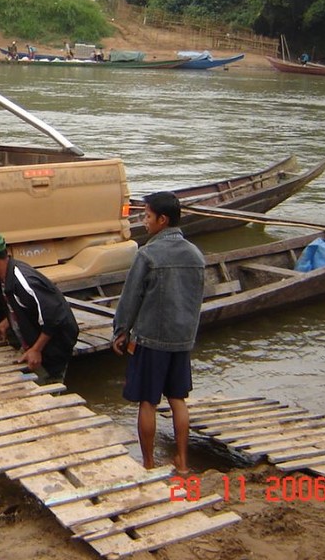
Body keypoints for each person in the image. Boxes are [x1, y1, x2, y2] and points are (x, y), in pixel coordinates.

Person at [111, 192, 205, 474]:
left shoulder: (148, 254)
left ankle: (149, 463)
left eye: (147, 216)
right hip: (182, 339)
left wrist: (121, 331)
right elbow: (195, 300)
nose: (144, 221)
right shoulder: (195, 255)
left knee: (148, 402)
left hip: (151, 339)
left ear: (162, 220)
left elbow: (131, 298)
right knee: (178, 399)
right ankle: (183, 462)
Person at [0, 229, 79, 384]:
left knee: (49, 380)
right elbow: (21, 305)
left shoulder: (24, 281)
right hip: (34, 335)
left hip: (56, 342)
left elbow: (54, 317)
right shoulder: (2, 277)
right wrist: (6, 322)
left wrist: (36, 350)